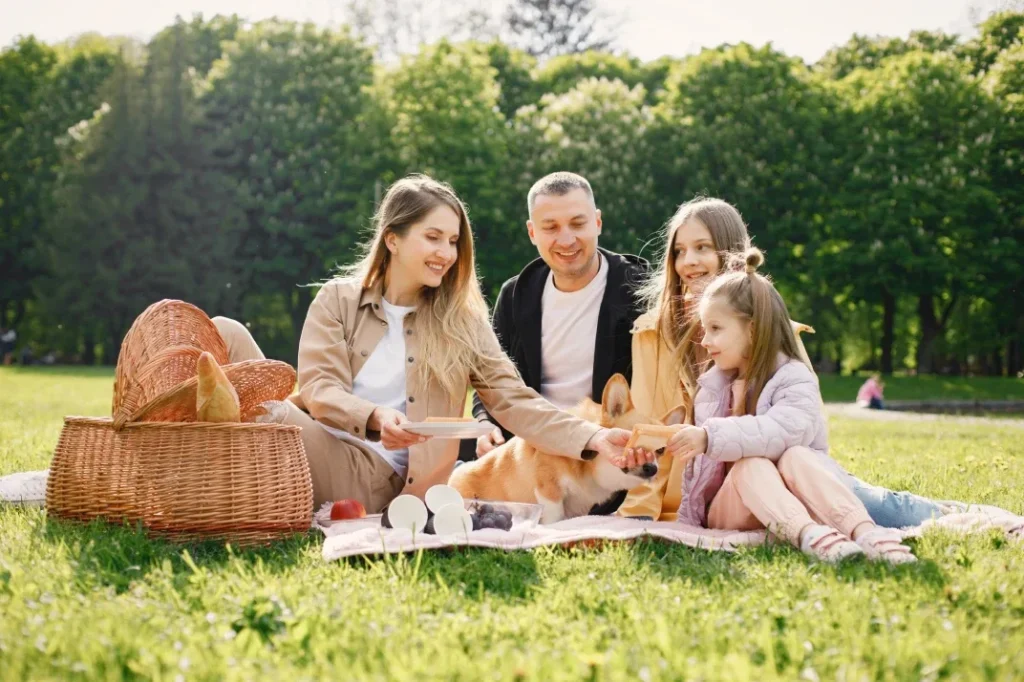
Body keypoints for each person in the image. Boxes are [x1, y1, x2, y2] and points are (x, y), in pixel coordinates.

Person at [212, 174, 647, 512]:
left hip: (378, 475)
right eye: (433, 237)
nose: (447, 253)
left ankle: (213, 476)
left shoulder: (462, 322)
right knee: (224, 332)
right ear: (393, 238)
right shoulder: (338, 300)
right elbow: (319, 390)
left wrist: (593, 437)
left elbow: (516, 401)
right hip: (319, 441)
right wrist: (376, 416)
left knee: (260, 408)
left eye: (454, 241)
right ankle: (170, 475)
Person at [619, 197, 948, 529]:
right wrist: (641, 510)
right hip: (708, 500)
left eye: (702, 247)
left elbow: (799, 429)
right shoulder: (652, 334)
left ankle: (964, 517)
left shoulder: (775, 332)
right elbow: (649, 428)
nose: (687, 261)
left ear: (731, 253)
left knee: (884, 507)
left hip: (786, 479)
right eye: (679, 251)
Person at [658, 248, 916, 564]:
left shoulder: (794, 377)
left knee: (796, 454)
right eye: (705, 329)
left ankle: (866, 534)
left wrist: (710, 437)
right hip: (730, 508)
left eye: (716, 329)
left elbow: (783, 430)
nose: (705, 340)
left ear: (751, 329)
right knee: (749, 464)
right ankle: (811, 536)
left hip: (790, 501)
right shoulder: (713, 387)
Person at [468, 171, 648, 513]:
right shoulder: (515, 295)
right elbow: (487, 380)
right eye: (550, 227)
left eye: (577, 223)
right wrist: (485, 424)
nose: (566, 240)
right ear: (532, 232)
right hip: (533, 451)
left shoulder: (639, 288)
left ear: (597, 222)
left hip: (609, 450)